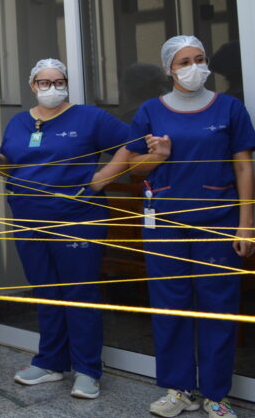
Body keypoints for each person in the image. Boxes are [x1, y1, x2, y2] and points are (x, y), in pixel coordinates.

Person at [98, 36, 254, 418]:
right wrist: (157, 156)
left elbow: (244, 166)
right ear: (170, 68)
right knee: (171, 306)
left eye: (199, 59)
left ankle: (216, 393)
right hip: (164, 225)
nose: (194, 66)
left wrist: (247, 225)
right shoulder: (152, 110)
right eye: (184, 61)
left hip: (218, 222)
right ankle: (179, 389)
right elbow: (137, 170)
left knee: (219, 309)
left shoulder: (230, 108)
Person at [0, 58, 129, 400]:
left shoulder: (90, 117)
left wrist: (102, 179)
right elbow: (11, 167)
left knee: (79, 293)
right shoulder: (19, 122)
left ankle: (88, 370)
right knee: (45, 290)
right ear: (32, 86)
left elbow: (132, 144)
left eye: (58, 81)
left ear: (66, 84)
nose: (51, 88)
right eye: (44, 83)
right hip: (29, 219)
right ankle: (50, 362)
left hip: (77, 218)